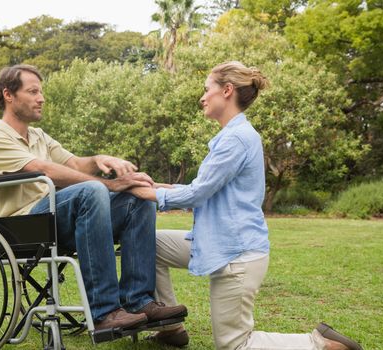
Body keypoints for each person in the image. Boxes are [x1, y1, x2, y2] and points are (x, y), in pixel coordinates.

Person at [129, 61, 363, 350]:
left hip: (237, 254)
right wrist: (155, 187)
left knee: (235, 344)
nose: (202, 97)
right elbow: (204, 188)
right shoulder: (230, 136)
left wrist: (142, 193)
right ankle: (171, 327)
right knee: (149, 244)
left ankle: (320, 344)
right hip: (218, 241)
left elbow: (198, 194)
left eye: (207, 89)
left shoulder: (237, 139)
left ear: (227, 91)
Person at [0, 64, 187, 331]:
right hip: (17, 225)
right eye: (33, 91)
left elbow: (73, 164)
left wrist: (99, 159)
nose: (42, 98)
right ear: (9, 95)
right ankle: (105, 311)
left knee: (137, 199)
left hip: (50, 219)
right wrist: (111, 184)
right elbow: (44, 170)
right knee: (93, 190)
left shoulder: (39, 136)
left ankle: (137, 300)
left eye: (41, 92)